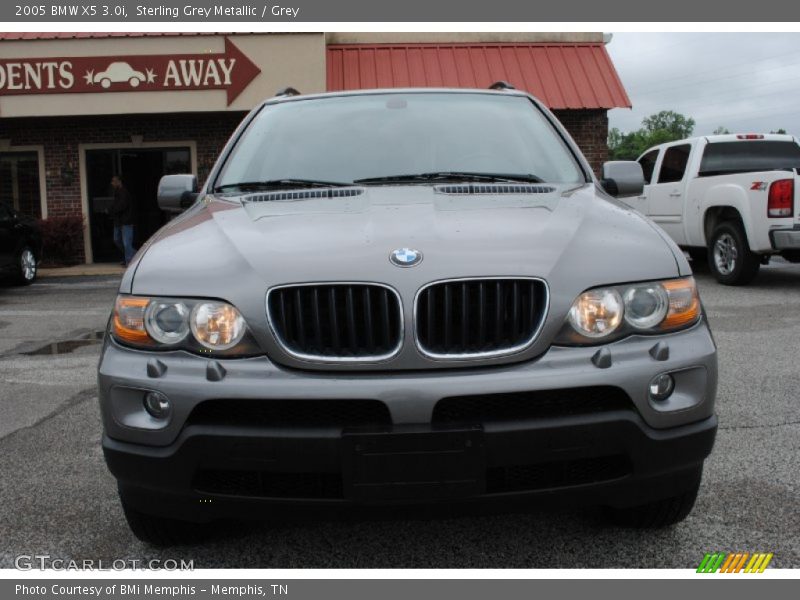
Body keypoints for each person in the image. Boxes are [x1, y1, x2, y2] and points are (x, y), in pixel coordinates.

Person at [109, 175, 135, 266]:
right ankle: (132, 255)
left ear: (119, 182)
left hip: (126, 221)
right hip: (118, 221)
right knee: (117, 239)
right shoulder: (116, 192)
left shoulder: (124, 193)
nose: (112, 183)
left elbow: (121, 206)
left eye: (114, 181)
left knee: (126, 243)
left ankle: (130, 261)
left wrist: (111, 210)